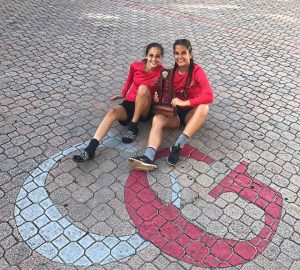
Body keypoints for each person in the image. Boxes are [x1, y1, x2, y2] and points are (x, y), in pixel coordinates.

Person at [128, 39, 214, 171]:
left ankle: (177, 146)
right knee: (157, 119)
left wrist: (184, 102)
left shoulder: (197, 71)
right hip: (176, 114)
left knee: (204, 107)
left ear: (190, 54)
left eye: (183, 53)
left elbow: (209, 96)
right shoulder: (170, 73)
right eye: (176, 53)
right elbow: (165, 94)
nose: (179, 57)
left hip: (192, 113)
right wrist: (158, 98)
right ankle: (148, 157)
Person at [73, 42, 164, 162]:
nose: (154, 59)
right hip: (130, 102)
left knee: (142, 88)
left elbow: (164, 92)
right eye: (151, 55)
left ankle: (133, 126)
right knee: (112, 111)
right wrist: (123, 94)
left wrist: (159, 97)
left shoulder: (163, 72)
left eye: (157, 56)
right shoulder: (135, 66)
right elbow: (129, 81)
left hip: (145, 108)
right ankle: (90, 149)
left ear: (161, 58)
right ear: (146, 56)